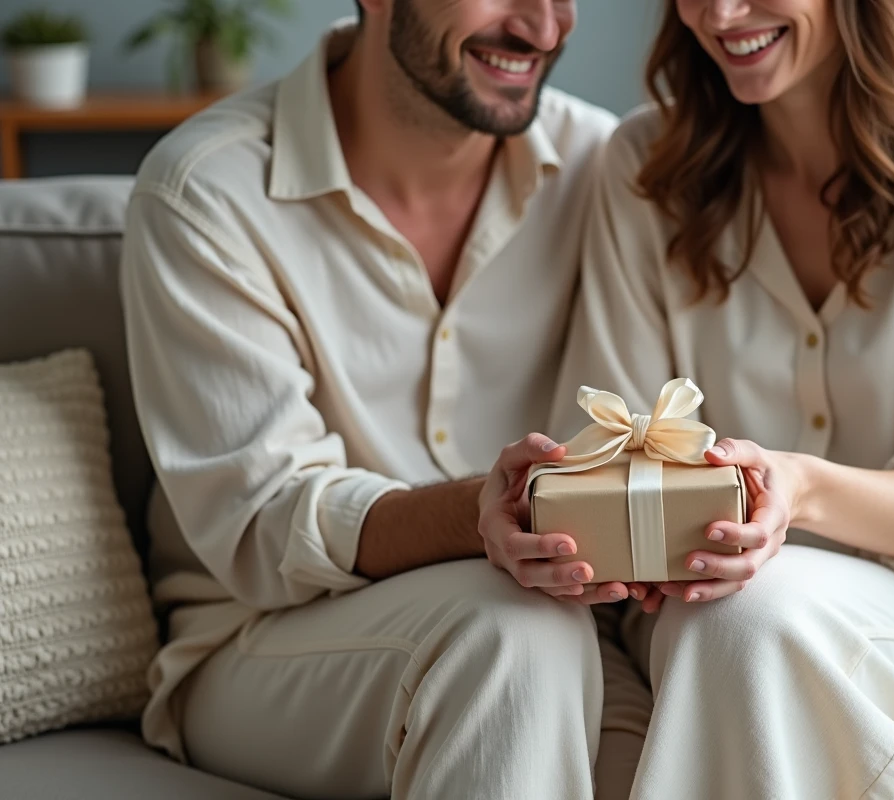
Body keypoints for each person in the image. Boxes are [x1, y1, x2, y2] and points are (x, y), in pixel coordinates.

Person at [481, 0, 894, 797]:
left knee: (738, 618)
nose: (720, 14)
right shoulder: (644, 167)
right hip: (695, 620)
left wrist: (796, 489)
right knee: (719, 615)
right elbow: (616, 451)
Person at [119, 1, 635, 797]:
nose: (543, 26)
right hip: (271, 635)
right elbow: (265, 521)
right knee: (510, 638)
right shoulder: (205, 193)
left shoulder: (601, 165)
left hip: (565, 631)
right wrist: (479, 514)